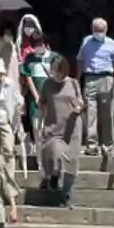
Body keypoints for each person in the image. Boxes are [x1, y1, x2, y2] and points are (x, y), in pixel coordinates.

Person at [36, 55, 83, 207]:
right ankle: (52, 176)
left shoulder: (73, 83)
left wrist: (78, 107)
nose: (55, 74)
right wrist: (39, 124)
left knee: (71, 161)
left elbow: (80, 102)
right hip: (53, 127)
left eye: (58, 72)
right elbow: (41, 104)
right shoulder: (47, 84)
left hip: (72, 128)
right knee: (54, 152)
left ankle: (66, 194)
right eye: (53, 71)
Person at [75, 17, 114, 154]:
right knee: (90, 113)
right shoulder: (86, 41)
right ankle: (92, 146)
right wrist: (77, 79)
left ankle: (108, 145)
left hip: (107, 78)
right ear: (92, 29)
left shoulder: (111, 43)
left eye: (101, 30)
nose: (99, 33)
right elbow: (80, 60)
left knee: (107, 113)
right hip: (90, 78)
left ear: (106, 30)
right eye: (97, 30)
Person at [20, 33, 57, 147]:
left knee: (52, 125)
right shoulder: (29, 58)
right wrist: (36, 96)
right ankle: (40, 154)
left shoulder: (54, 57)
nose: (38, 47)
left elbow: (58, 77)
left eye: (40, 44)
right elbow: (28, 77)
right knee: (37, 126)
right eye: (35, 45)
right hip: (35, 98)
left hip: (52, 97)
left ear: (45, 44)